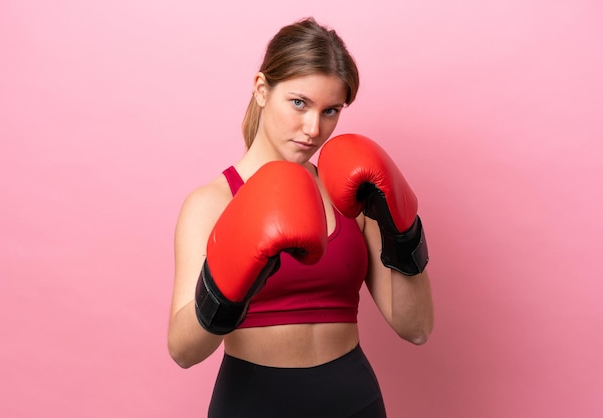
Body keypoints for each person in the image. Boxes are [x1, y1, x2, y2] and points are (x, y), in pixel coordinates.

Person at [168, 17, 434, 417]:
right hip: (253, 405)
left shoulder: (351, 199)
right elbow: (183, 351)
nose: (313, 128)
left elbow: (416, 328)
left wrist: (402, 230)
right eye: (299, 103)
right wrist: (227, 283)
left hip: (355, 403)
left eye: (331, 110)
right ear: (261, 90)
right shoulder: (212, 203)